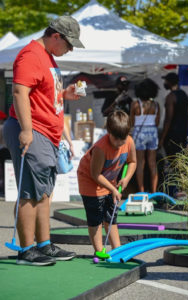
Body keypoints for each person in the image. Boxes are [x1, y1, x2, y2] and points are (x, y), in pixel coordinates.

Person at [3, 15, 84, 266]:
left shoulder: (47, 57)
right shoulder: (30, 55)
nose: (69, 50)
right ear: (55, 36)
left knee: (44, 193)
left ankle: (44, 245)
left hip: (45, 132)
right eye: (68, 44)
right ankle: (26, 251)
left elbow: (42, 93)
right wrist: (26, 130)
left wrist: (64, 94)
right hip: (33, 130)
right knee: (30, 191)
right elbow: (19, 91)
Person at [77, 110, 137, 254]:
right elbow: (95, 174)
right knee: (95, 216)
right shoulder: (101, 148)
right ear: (108, 131)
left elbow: (133, 161)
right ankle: (99, 250)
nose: (119, 143)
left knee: (111, 215)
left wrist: (126, 178)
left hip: (109, 183)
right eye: (116, 138)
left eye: (122, 139)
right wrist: (113, 189)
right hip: (90, 182)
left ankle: (117, 249)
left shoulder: (128, 141)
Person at [130, 78, 160, 193]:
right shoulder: (156, 105)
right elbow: (157, 122)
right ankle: (153, 191)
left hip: (139, 132)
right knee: (152, 163)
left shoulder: (136, 104)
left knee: (140, 163)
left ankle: (141, 191)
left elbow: (132, 122)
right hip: (153, 132)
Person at [159, 72, 188, 156]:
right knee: (181, 158)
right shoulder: (184, 95)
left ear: (169, 82)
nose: (164, 83)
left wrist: (162, 138)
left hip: (172, 135)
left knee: (173, 159)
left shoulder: (170, 97)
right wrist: (184, 130)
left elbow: (168, 119)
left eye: (165, 81)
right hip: (182, 134)